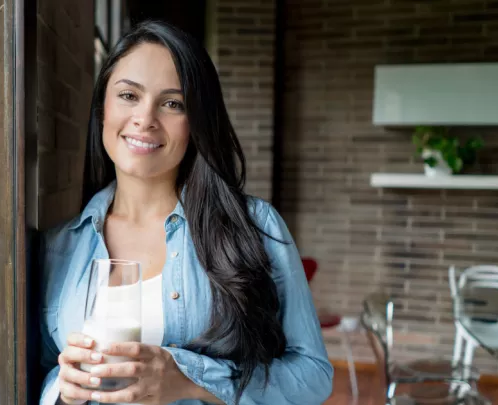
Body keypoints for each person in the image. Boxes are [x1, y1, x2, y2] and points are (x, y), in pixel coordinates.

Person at [39, 20, 333, 405]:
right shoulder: (59, 247)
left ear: (196, 122)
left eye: (172, 103)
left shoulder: (256, 226)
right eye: (129, 95)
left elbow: (313, 375)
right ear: (101, 109)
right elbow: (40, 369)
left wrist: (189, 379)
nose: (145, 119)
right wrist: (64, 389)